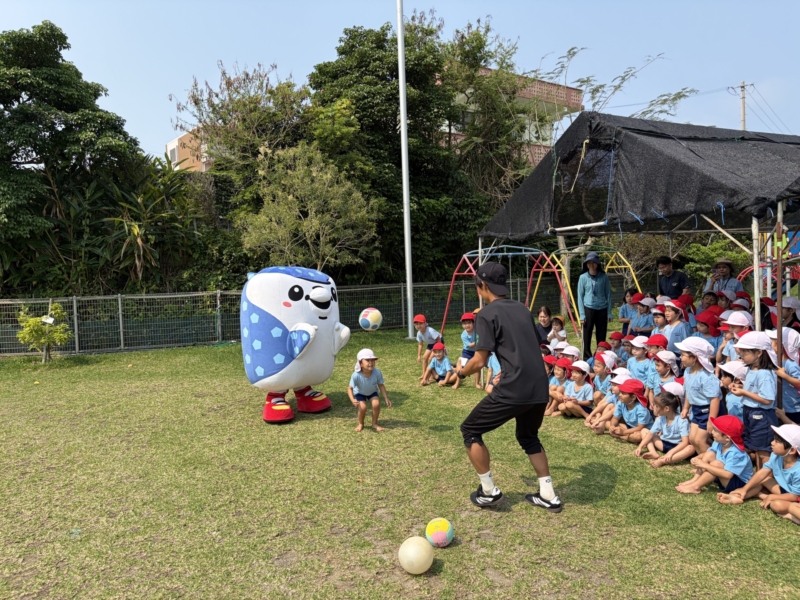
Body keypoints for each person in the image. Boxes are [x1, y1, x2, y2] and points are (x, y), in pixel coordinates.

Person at [456, 261, 562, 512]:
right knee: (528, 436)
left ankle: (488, 491)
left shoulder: (486, 314)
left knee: (470, 430)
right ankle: (548, 495)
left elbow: (479, 360)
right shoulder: (523, 310)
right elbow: (527, 347)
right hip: (539, 387)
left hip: (514, 388)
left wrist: (460, 371)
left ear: (482, 286)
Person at [718, 424, 800, 511]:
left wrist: (772, 497)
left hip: (794, 496)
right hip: (783, 489)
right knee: (763, 479)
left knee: (777, 505)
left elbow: (795, 496)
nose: (772, 443)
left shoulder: (798, 470)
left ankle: (762, 495)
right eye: (774, 439)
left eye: (777, 441)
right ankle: (738, 497)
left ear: (792, 450)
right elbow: (763, 472)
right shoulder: (776, 456)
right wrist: (744, 489)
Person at [728, 331, 779, 470]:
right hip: (750, 412)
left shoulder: (764, 373)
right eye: (741, 351)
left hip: (762, 415)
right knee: (756, 448)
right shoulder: (751, 369)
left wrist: (744, 392)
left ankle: (766, 478)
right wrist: (740, 387)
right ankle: (759, 475)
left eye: (745, 351)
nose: (741, 355)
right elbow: (755, 390)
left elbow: (767, 400)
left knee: (764, 451)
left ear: (759, 353)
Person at [677, 415, 753, 495]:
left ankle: (695, 487)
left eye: (716, 431)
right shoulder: (719, 442)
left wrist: (704, 465)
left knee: (716, 464)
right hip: (725, 475)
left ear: (727, 437)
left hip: (739, 482)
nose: (712, 432)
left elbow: (728, 475)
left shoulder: (736, 453)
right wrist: (697, 458)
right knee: (709, 454)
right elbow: (707, 454)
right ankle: (695, 480)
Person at [676, 338, 721, 456]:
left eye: (683, 355)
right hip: (696, 410)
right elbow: (689, 392)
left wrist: (711, 420)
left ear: (695, 357)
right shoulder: (687, 371)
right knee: (693, 439)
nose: (680, 357)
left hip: (707, 411)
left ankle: (710, 463)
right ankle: (703, 460)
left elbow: (715, 399)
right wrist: (686, 408)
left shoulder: (707, 377)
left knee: (700, 440)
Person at [635, 391, 693, 467]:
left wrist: (671, 452)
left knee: (691, 448)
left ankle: (663, 461)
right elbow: (650, 434)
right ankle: (653, 452)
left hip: (678, 448)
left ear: (666, 408)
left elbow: (685, 442)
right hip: (663, 444)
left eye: (657, 406)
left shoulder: (682, 421)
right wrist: (640, 446)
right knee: (644, 431)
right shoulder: (660, 419)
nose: (654, 408)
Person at [577, 251, 612, 360]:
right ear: (586, 264)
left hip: (602, 308)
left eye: (593, 262)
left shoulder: (604, 277)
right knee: (586, 335)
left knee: (601, 335)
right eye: (589, 263)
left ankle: (600, 357)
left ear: (598, 263)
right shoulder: (583, 277)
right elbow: (580, 296)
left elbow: (608, 294)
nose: (591, 265)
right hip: (588, 308)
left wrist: (609, 313)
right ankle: (587, 358)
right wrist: (582, 315)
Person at [348, 349, 392, 432]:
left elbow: (381, 385)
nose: (371, 362)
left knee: (376, 404)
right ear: (360, 363)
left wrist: (386, 398)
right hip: (359, 393)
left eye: (372, 360)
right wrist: (352, 399)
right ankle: (361, 423)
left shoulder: (377, 372)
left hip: (372, 392)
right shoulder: (356, 375)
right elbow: (350, 388)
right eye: (367, 360)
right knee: (363, 408)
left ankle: (374, 423)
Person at [769, 328, 800, 425]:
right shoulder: (777, 362)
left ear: (779, 346)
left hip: (793, 408)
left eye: (772, 342)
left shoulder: (791, 364)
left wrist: (784, 376)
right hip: (782, 406)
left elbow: (799, 383)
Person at [453, 313, 481, 390]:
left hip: (476, 351)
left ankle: (477, 383)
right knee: (461, 367)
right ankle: (457, 382)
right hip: (467, 352)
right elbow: (470, 345)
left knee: (477, 367)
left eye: (469, 323)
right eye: (464, 323)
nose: (467, 325)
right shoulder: (463, 335)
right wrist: (479, 341)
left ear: (473, 323)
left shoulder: (477, 331)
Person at [414, 314, 443, 380]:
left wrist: (438, 349)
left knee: (431, 358)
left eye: (420, 323)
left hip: (438, 342)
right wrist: (419, 355)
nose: (418, 326)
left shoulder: (430, 331)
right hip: (431, 344)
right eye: (416, 324)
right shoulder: (419, 333)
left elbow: (438, 339)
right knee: (424, 357)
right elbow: (420, 344)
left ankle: (433, 374)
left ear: (425, 323)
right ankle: (424, 374)